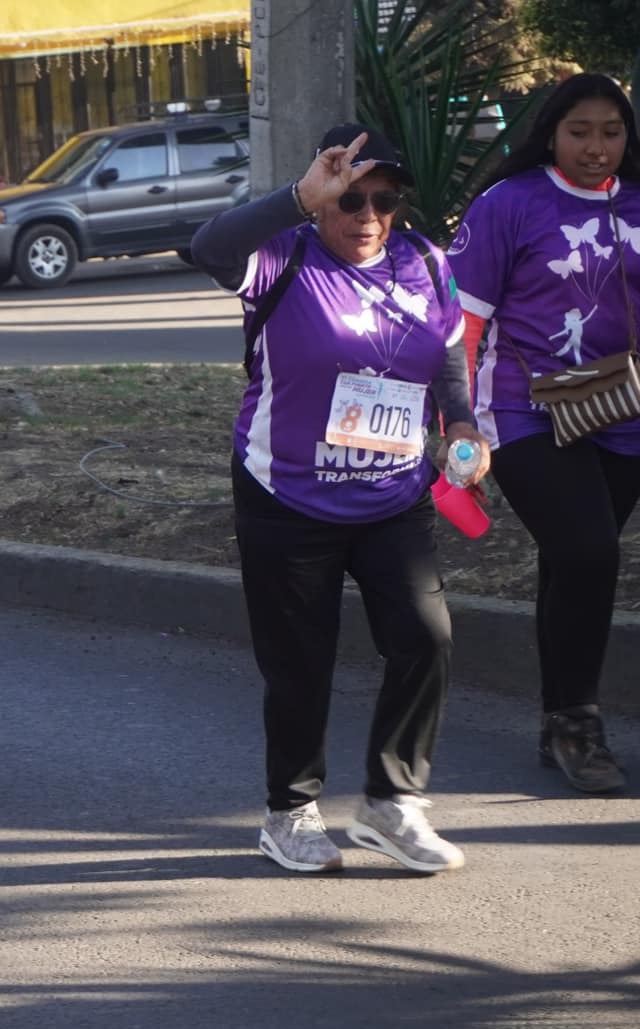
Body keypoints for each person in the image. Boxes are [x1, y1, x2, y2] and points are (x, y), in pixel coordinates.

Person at [190, 125, 485, 874]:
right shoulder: (282, 256)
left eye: (384, 201)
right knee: (300, 664)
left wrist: (463, 426)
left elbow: (447, 357)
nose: (368, 217)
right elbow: (208, 248)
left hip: (392, 494)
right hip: (286, 495)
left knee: (426, 635)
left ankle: (393, 804)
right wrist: (295, 199)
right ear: (324, 195)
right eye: (350, 198)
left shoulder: (425, 263)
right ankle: (288, 813)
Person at [449, 73, 640, 795]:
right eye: (580, 132)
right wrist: (459, 419)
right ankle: (578, 723)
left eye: (611, 132)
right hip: (524, 409)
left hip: (630, 412)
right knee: (588, 550)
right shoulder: (509, 204)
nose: (597, 148)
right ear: (550, 132)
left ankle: (555, 720)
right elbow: (464, 323)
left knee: (574, 563)